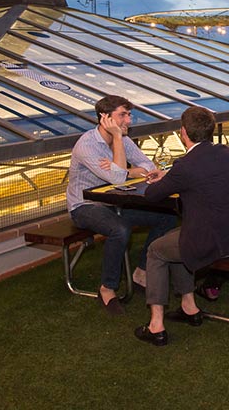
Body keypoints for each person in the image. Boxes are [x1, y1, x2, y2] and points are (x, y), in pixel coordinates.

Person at [135, 107, 229, 346]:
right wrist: (170, 176)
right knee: (175, 237)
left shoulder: (186, 165)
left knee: (156, 251)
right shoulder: (224, 152)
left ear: (183, 132)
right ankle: (189, 307)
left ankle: (156, 326)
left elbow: (151, 195)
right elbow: (202, 178)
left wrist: (166, 178)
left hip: (215, 241)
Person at [66, 95, 178, 316]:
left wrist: (124, 170)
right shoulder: (87, 145)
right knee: (120, 230)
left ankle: (141, 272)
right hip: (85, 205)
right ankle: (107, 288)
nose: (129, 120)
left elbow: (148, 166)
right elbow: (116, 180)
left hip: (115, 202)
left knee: (167, 216)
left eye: (129, 115)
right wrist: (118, 140)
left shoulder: (123, 140)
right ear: (104, 118)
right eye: (123, 115)